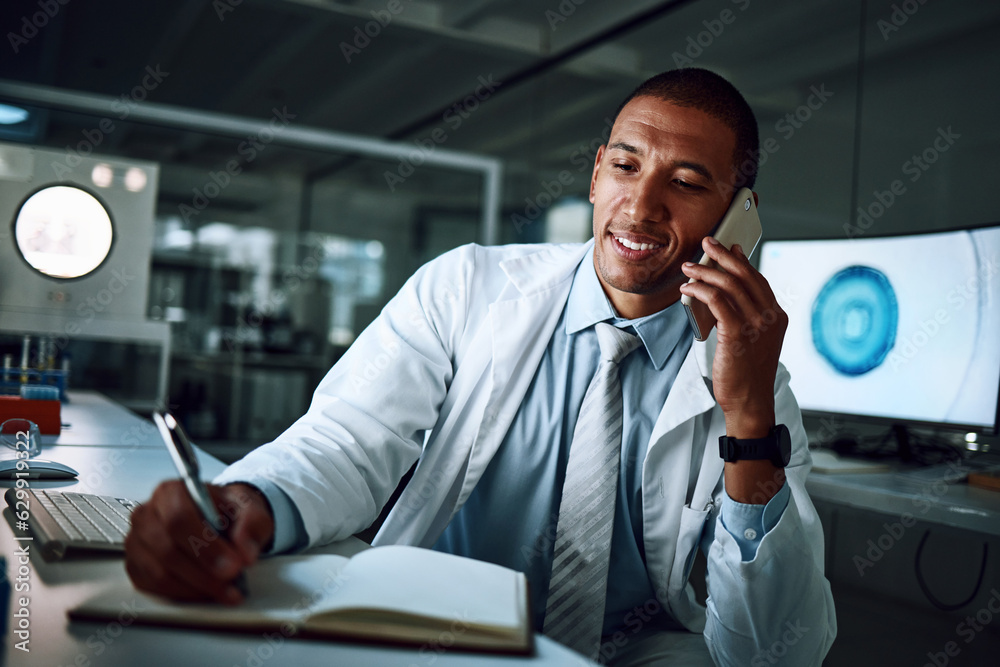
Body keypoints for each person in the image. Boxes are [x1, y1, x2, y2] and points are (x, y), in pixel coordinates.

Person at [125, 68, 836, 665]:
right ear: (595, 175)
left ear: (738, 214)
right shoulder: (465, 287)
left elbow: (775, 647)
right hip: (438, 639)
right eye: (625, 166)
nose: (640, 205)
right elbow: (348, 439)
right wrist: (247, 502)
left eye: (685, 182)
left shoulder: (754, 382)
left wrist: (746, 419)